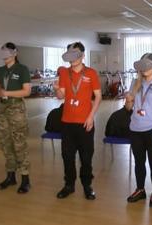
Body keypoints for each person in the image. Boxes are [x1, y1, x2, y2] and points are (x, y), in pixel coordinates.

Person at [53, 42, 102, 200]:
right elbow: (62, 96)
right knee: (67, 156)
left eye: (75, 53)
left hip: (85, 122)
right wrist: (57, 89)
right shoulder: (64, 73)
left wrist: (90, 116)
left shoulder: (91, 73)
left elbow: (98, 96)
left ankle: (87, 185)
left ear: (82, 55)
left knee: (86, 157)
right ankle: (69, 185)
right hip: (67, 122)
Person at [125, 53, 152, 207]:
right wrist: (128, 101)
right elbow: (129, 108)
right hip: (135, 129)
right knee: (139, 162)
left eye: (148, 65)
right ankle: (140, 190)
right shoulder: (135, 83)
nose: (144, 69)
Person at [0, 42, 32, 194]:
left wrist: (6, 93)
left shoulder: (22, 69)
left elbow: (26, 91)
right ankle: (10, 176)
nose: (4, 56)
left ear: (14, 53)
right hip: (2, 108)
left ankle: (25, 179)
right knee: (5, 143)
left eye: (7, 52)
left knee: (19, 144)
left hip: (16, 109)